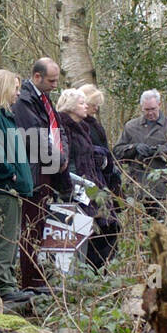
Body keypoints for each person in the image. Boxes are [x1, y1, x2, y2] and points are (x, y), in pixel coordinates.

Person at [12, 58, 68, 294]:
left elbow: (58, 130)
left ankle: (36, 276)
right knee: (31, 227)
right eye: (52, 80)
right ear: (37, 77)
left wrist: (62, 156)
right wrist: (58, 160)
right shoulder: (24, 101)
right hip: (35, 173)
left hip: (48, 171)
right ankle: (30, 280)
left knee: (40, 226)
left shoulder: (45, 99)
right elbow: (33, 137)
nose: (56, 85)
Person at [0, 70, 34, 302]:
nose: (19, 93)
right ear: (3, 87)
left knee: (11, 237)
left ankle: (4, 283)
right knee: (4, 237)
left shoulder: (7, 115)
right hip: (1, 188)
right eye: (15, 87)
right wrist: (9, 174)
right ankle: (3, 286)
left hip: (12, 189)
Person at [56, 88, 115, 270]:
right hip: (75, 190)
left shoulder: (84, 127)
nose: (87, 107)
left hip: (91, 187)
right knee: (81, 234)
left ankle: (98, 273)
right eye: (82, 103)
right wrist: (73, 188)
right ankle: (82, 275)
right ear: (72, 107)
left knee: (109, 226)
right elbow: (65, 160)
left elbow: (88, 154)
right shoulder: (63, 127)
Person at [113, 88, 167, 215]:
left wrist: (155, 151)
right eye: (147, 110)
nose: (150, 113)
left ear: (159, 105)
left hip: (163, 187)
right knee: (140, 229)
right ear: (141, 108)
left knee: (162, 228)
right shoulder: (131, 126)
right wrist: (134, 148)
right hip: (137, 187)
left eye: (153, 109)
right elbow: (117, 151)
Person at [78, 83, 121, 268]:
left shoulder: (93, 124)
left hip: (104, 182)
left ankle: (103, 270)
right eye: (94, 104)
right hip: (90, 186)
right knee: (100, 229)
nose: (96, 108)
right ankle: (95, 270)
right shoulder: (79, 126)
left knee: (111, 227)